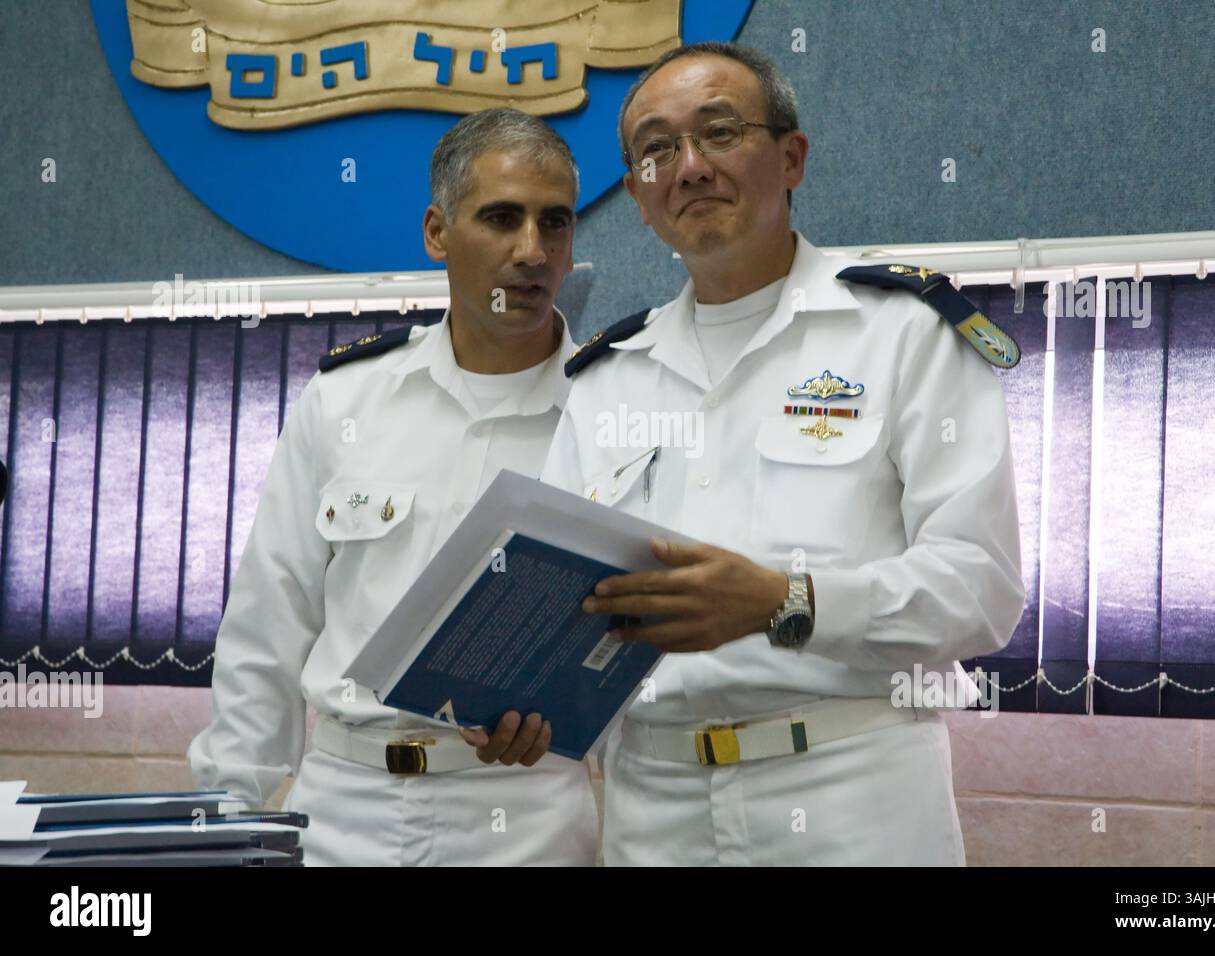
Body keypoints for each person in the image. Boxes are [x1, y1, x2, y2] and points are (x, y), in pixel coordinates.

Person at [540, 42, 1026, 865]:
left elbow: (982, 589)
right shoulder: (605, 379)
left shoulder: (900, 333)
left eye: (719, 132)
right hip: (651, 809)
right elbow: (553, 592)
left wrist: (786, 600)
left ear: (791, 156)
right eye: (657, 150)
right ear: (639, 197)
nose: (688, 166)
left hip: (851, 793)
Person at [189, 108, 598, 866]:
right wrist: (227, 812)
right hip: (344, 810)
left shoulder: (610, 412)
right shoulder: (348, 400)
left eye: (556, 223)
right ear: (438, 233)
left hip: (527, 814)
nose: (532, 251)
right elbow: (268, 625)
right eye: (501, 218)